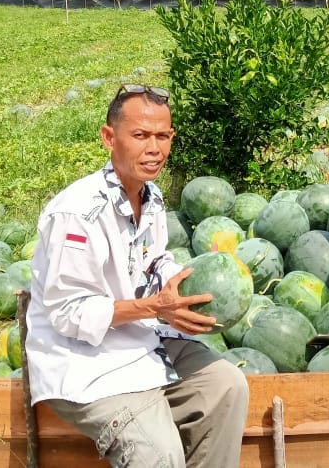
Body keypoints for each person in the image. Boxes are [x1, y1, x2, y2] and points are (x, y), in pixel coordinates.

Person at [26, 84, 249, 468]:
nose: (154, 148)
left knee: (226, 386)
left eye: (163, 136)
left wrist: (192, 277)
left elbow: (153, 261)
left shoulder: (152, 198)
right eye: (140, 136)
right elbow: (68, 312)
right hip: (85, 362)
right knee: (157, 454)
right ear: (109, 138)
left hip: (139, 342)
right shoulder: (77, 214)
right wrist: (155, 307)